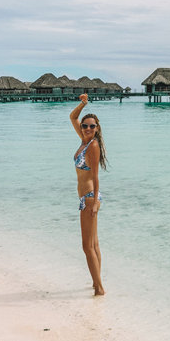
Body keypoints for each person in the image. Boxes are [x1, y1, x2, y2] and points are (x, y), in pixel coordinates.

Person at [70, 93, 108, 295]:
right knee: (94, 244)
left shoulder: (92, 146)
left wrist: (93, 203)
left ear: (97, 128)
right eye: (85, 126)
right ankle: (96, 283)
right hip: (88, 198)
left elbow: (95, 175)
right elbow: (72, 117)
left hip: (89, 198)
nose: (87, 129)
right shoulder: (84, 141)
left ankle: (99, 288)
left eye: (92, 126)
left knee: (87, 246)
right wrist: (83, 104)